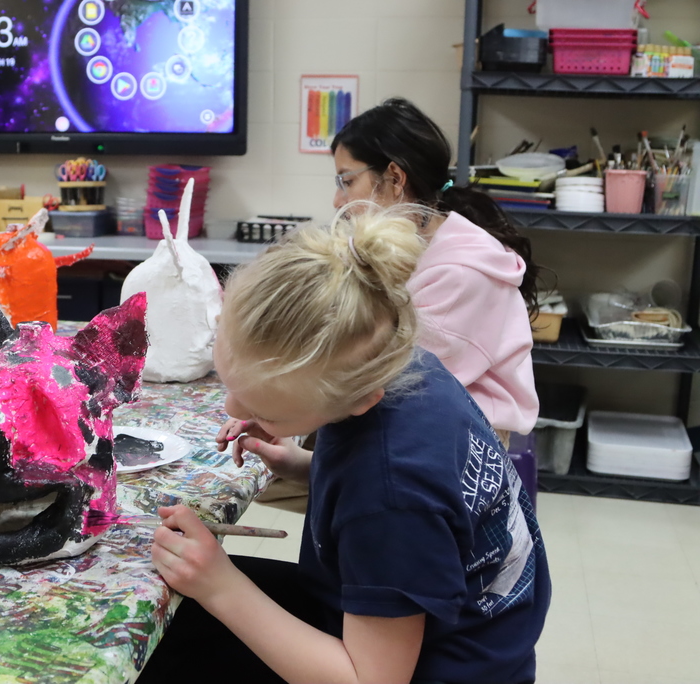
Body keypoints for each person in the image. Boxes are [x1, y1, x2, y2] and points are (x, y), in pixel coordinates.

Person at [139, 205, 550, 684]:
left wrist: (221, 587)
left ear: (356, 398)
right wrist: (303, 464)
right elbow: (431, 507)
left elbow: (370, 680)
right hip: (412, 626)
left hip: (434, 669)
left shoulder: (391, 501)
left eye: (266, 410)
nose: (233, 410)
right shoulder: (403, 367)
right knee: (164, 606)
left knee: (174, 627)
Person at [331, 98, 541, 443]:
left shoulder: (459, 272)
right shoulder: (411, 244)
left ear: (395, 177)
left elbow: (391, 375)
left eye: (347, 181)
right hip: (414, 420)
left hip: (457, 442)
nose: (338, 202)